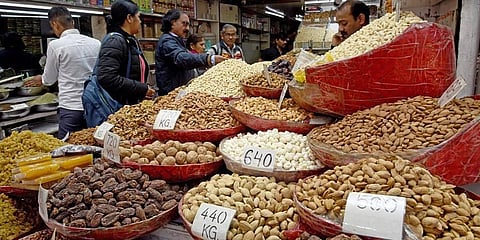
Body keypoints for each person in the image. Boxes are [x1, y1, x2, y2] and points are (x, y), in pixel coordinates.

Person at [27, 7, 100, 139]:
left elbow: (49, 79)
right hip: (95, 105)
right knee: (94, 144)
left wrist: (41, 79)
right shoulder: (96, 43)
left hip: (71, 107)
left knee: (67, 148)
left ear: (54, 24)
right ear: (72, 22)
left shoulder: (56, 45)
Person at [96, 0, 156, 105]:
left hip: (130, 103)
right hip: (118, 105)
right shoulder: (114, 41)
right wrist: (141, 89)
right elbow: (107, 77)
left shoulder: (129, 40)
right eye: (138, 17)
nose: (140, 21)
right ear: (129, 18)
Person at [155, 9, 226, 96]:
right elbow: (181, 58)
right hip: (170, 93)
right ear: (173, 23)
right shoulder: (167, 41)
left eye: (188, 25)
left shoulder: (177, 39)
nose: (187, 29)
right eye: (184, 24)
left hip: (177, 91)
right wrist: (209, 59)